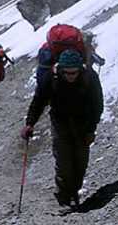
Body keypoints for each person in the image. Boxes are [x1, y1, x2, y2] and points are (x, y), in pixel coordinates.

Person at [20, 49, 103, 211]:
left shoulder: (89, 77)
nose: (71, 76)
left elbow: (97, 104)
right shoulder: (51, 78)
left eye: (74, 72)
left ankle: (74, 192)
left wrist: (91, 130)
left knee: (81, 162)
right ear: (61, 70)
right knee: (63, 161)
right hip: (60, 124)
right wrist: (30, 123)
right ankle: (65, 198)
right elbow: (39, 101)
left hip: (83, 125)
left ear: (80, 69)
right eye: (67, 73)